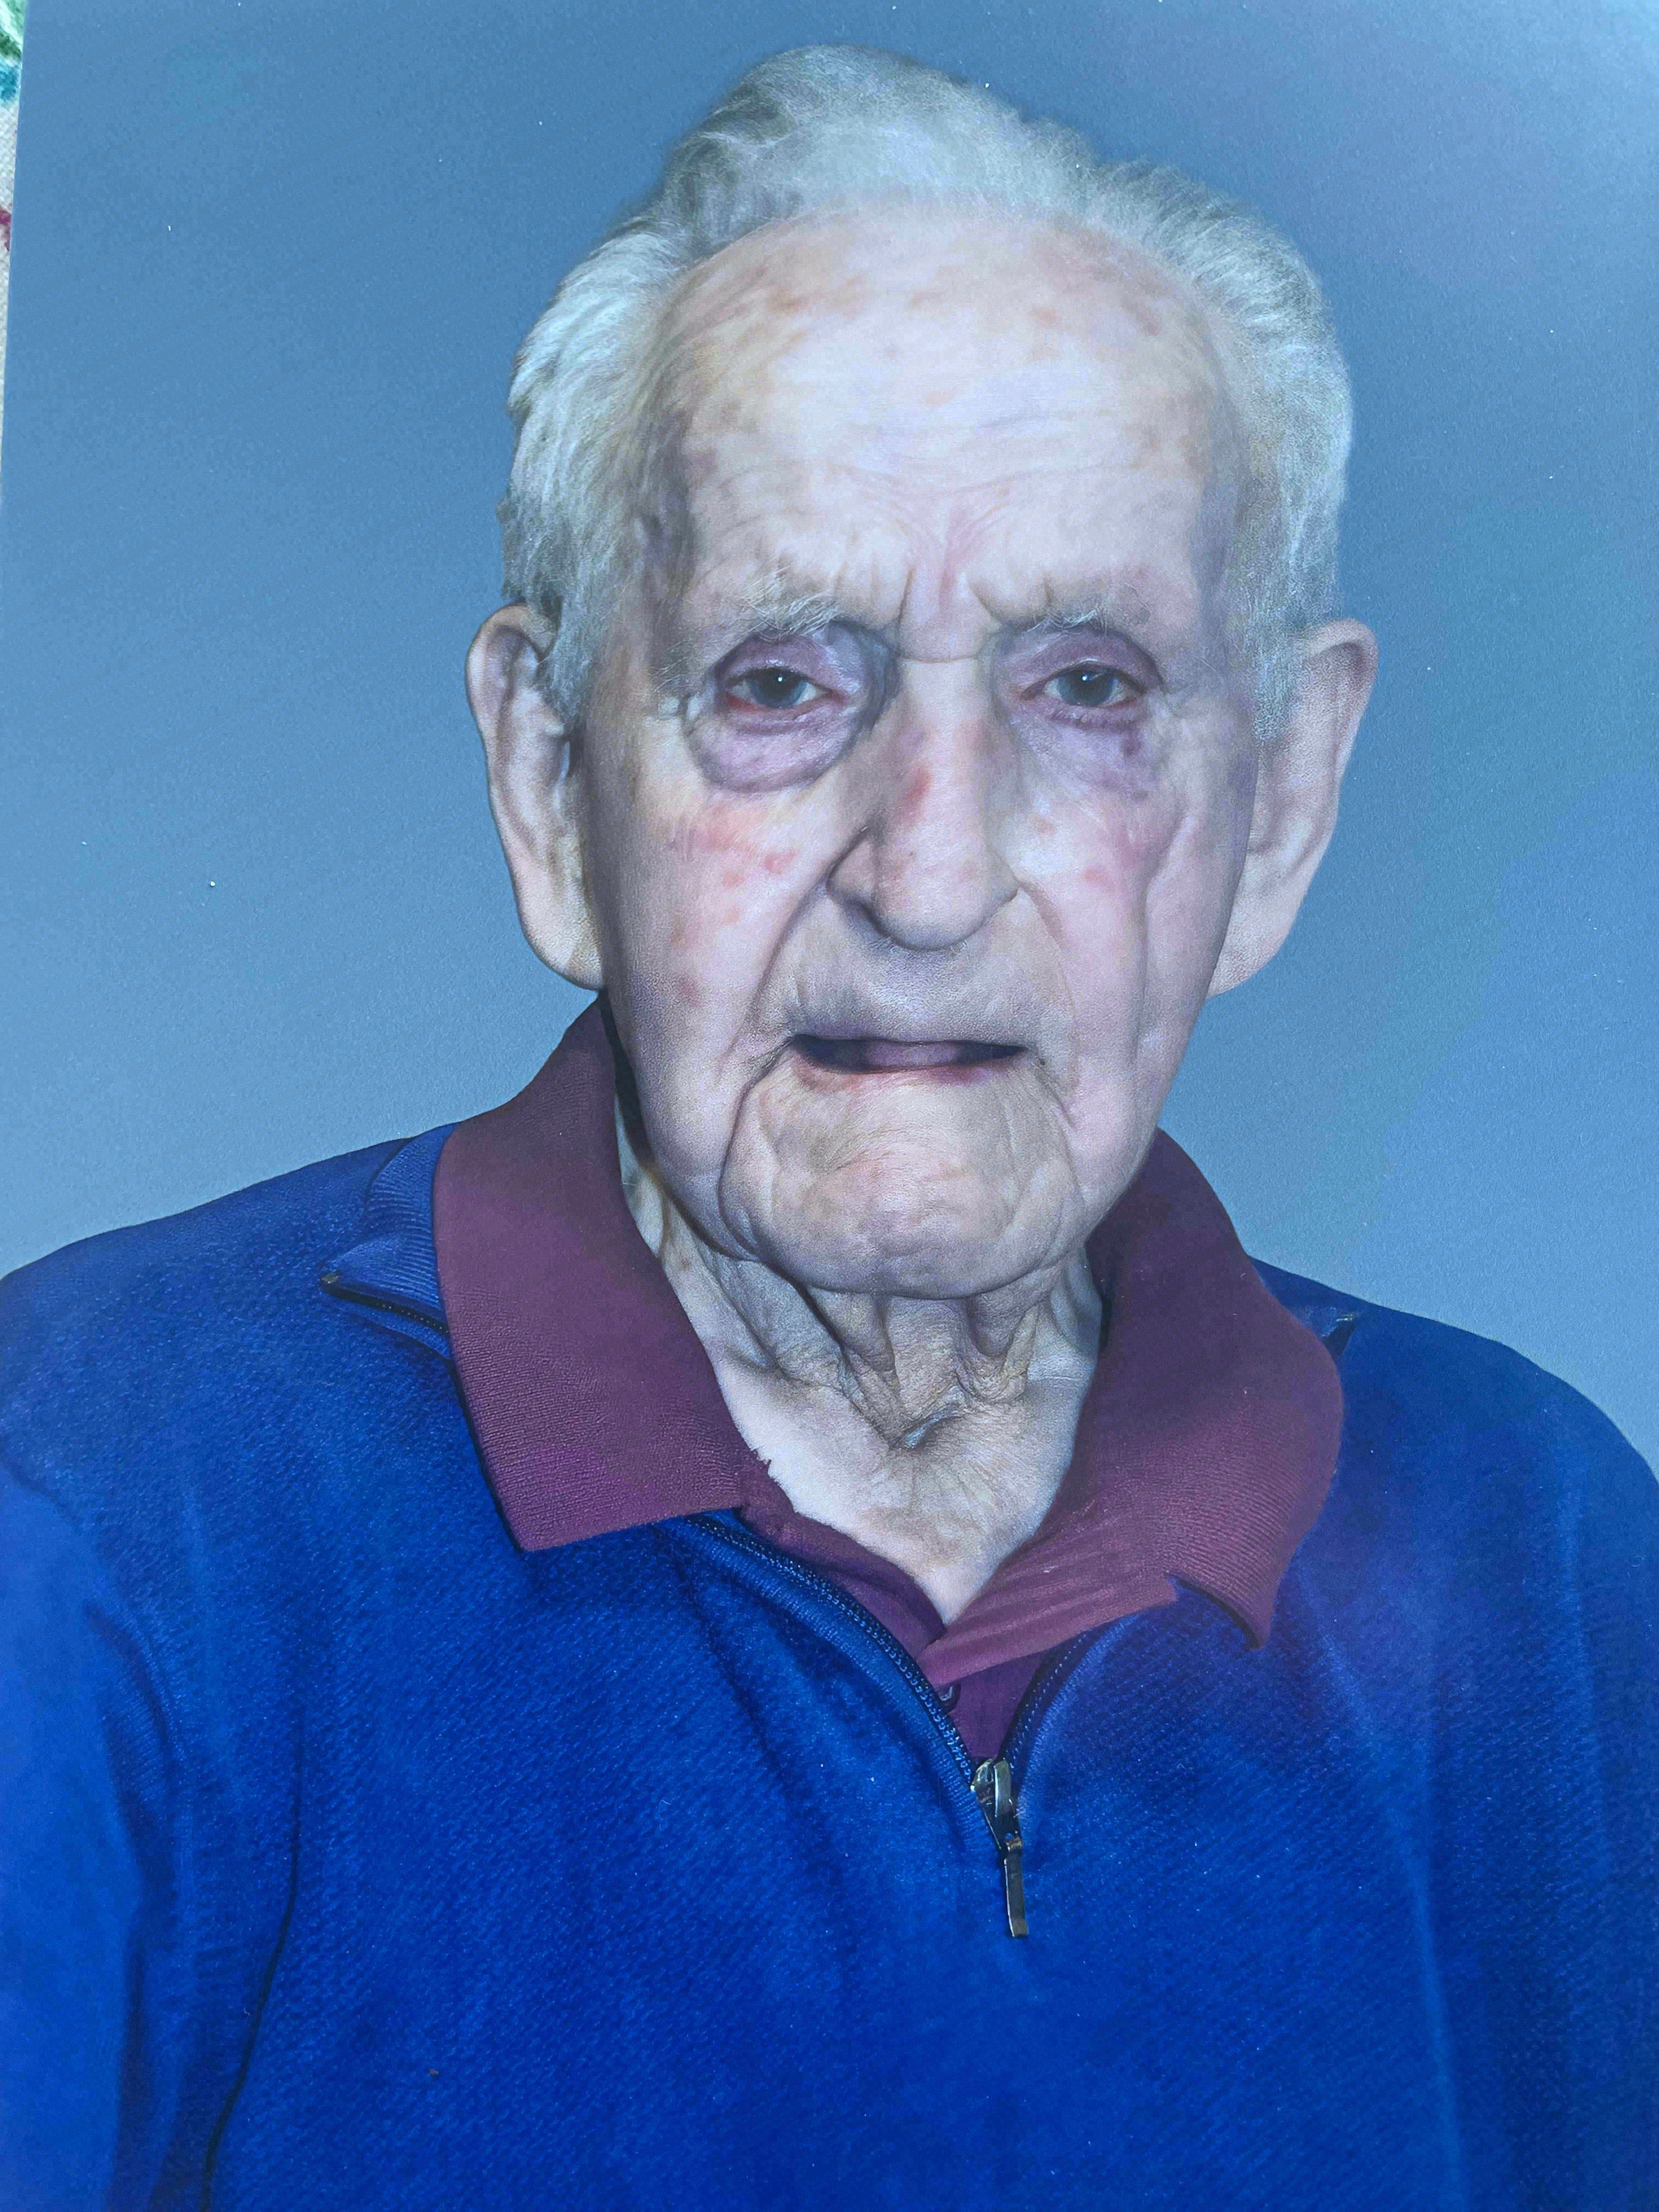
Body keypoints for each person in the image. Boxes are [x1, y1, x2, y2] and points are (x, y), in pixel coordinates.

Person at [2, 44, 1653, 2212]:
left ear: (1277, 804)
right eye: (784, 681)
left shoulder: (1549, 1547)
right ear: (550, 786)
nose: (932, 875)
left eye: (1087, 686)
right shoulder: (91, 1501)